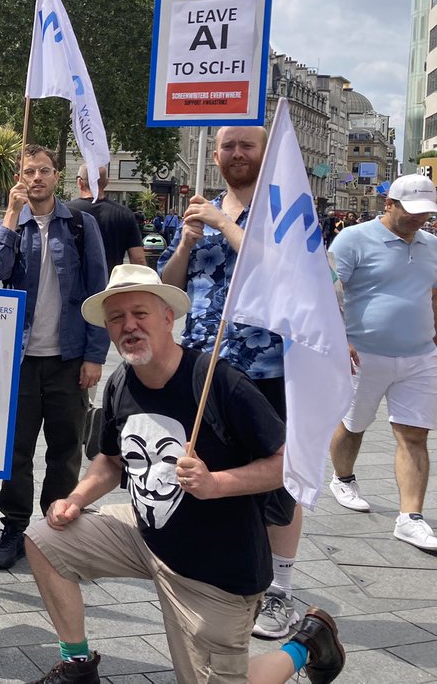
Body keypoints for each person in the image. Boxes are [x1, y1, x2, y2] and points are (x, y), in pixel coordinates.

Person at [24, 264, 345, 684]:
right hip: (145, 535)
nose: (129, 326)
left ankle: (307, 644)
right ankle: (78, 666)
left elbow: (292, 463)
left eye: (140, 313)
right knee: (47, 540)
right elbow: (111, 461)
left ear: (168, 318)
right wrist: (76, 499)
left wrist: (216, 484)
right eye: (117, 318)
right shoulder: (122, 381)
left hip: (215, 570)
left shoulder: (219, 382)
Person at [157, 126, 304, 641]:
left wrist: (225, 222)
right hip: (205, 362)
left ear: (265, 153)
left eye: (248, 145)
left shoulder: (285, 210)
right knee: (214, 470)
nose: (237, 154)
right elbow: (169, 287)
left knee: (277, 473)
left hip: (266, 366)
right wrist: (186, 242)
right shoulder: (202, 209)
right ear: (214, 154)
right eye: (229, 146)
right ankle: (227, 569)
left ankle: (281, 587)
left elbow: (285, 274)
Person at [0, 144, 108, 570]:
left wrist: (95, 356)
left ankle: (55, 528)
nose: (36, 178)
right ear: (19, 178)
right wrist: (8, 219)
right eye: (28, 172)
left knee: (64, 448)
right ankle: (14, 526)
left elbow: (98, 290)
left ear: (58, 176)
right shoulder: (9, 224)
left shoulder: (80, 224)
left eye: (44, 171)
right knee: (16, 449)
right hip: (19, 360)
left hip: (67, 357)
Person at [328, 174, 437, 550]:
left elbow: (433, 292)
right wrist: (338, 337)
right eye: (412, 211)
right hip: (364, 352)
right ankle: (342, 478)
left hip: (420, 354)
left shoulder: (432, 245)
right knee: (354, 424)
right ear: (389, 203)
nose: (419, 219)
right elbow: (326, 289)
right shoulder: (351, 240)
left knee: (414, 434)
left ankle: (411, 517)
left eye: (426, 213)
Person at [67, 165, 145, 273]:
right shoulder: (125, 214)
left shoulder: (66, 212)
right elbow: (138, 259)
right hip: (111, 285)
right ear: (106, 183)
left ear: (79, 182)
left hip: (74, 285)